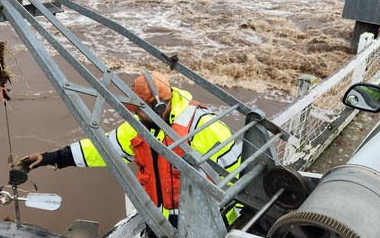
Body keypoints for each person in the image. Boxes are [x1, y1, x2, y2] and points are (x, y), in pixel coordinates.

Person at [20, 71, 241, 225]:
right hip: (161, 223)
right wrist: (51, 158)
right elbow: (102, 148)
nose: (135, 115)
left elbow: (239, 178)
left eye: (139, 110)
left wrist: (239, 227)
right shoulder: (140, 127)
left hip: (211, 225)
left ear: (159, 105)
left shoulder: (206, 127)